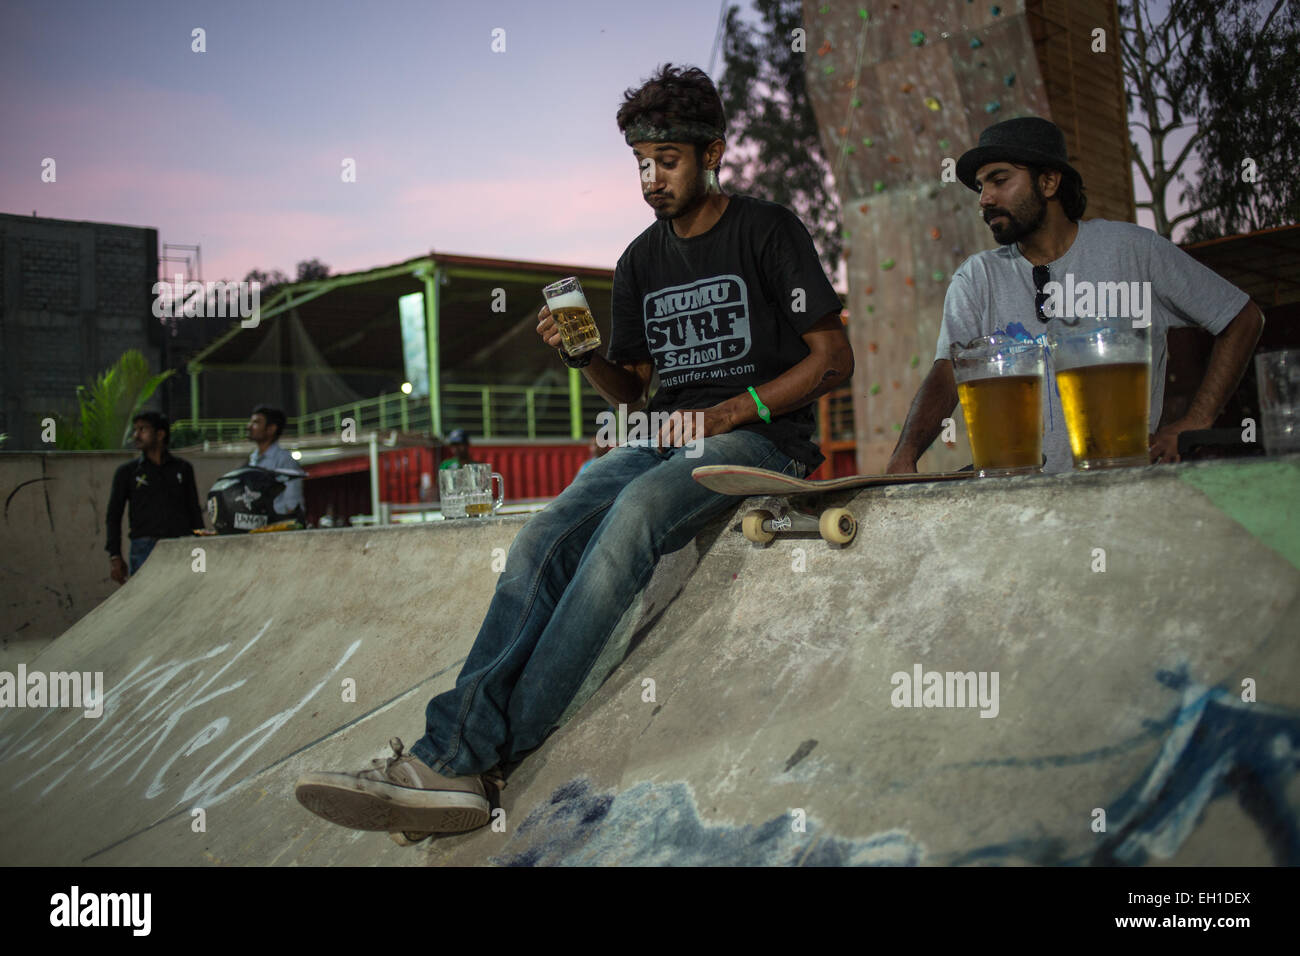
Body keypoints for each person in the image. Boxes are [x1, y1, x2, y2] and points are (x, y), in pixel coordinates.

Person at [294, 63, 854, 843]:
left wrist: (735, 405)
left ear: (713, 152)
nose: (652, 179)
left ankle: (473, 758)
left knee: (633, 515)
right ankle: (456, 759)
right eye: (640, 164)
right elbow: (631, 397)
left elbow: (833, 359)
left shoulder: (767, 230)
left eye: (669, 160)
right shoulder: (638, 263)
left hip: (762, 437)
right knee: (543, 531)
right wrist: (580, 353)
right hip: (661, 433)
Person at [886, 116, 1264, 475]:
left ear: (1049, 182)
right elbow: (949, 370)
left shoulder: (1133, 251)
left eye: (999, 180)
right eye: (981, 186)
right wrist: (905, 455)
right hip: (1017, 499)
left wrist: (1197, 420)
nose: (984, 198)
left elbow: (1241, 317)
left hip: (1122, 488)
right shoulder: (977, 276)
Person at [105, 412, 205, 581]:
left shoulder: (183, 468)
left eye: (142, 429)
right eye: (135, 430)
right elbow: (113, 515)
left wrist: (202, 548)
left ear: (160, 434)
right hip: (144, 548)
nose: (136, 435)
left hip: (180, 545)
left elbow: (194, 510)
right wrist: (115, 555)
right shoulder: (127, 472)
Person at [246, 405, 306, 518]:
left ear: (271, 429)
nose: (249, 426)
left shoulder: (285, 460)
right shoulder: (253, 459)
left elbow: (292, 503)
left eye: (256, 423)